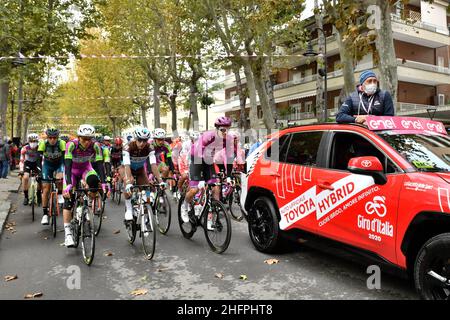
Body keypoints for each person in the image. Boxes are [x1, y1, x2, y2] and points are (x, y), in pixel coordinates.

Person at [180, 116, 233, 227]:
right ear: (217, 129)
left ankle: (212, 216)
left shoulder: (228, 139)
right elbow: (199, 153)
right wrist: (200, 179)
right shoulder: (208, 136)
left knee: (216, 188)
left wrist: (229, 176)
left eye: (227, 129)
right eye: (223, 129)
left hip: (208, 160)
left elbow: (229, 158)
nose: (225, 132)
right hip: (197, 158)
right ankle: (184, 206)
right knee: (195, 189)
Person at [62, 124, 107, 247]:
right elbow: (67, 165)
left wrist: (103, 183)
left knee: (93, 181)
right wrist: (69, 184)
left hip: (86, 169)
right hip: (71, 171)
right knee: (68, 198)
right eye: (84, 139)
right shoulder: (71, 145)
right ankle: (68, 235)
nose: (87, 142)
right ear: (79, 137)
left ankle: (85, 205)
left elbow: (99, 165)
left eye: (89, 139)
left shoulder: (95, 146)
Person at [120, 127, 165, 222]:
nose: (142, 143)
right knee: (130, 182)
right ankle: (128, 208)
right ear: (135, 139)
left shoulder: (150, 147)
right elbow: (127, 165)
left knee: (147, 187)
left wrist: (160, 180)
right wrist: (128, 182)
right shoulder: (128, 147)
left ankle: (147, 206)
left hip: (140, 170)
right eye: (139, 140)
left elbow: (153, 165)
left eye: (144, 141)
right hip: (126, 168)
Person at [38, 127, 66, 225]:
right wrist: (39, 171)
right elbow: (39, 158)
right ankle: (45, 214)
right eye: (50, 138)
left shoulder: (62, 143)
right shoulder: (43, 143)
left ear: (57, 137)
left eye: (55, 138)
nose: (52, 140)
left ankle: (59, 194)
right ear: (47, 137)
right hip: (47, 165)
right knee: (46, 188)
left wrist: (64, 170)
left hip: (59, 164)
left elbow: (65, 158)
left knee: (60, 178)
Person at [19, 133, 42, 205]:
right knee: (25, 178)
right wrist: (21, 169)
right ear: (28, 141)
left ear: (37, 141)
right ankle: (26, 197)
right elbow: (22, 160)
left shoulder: (40, 148)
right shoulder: (24, 148)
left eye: (35, 141)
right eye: (31, 141)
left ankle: (38, 194)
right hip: (27, 163)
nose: (33, 143)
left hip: (37, 163)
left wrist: (42, 169)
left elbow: (43, 159)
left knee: (40, 178)